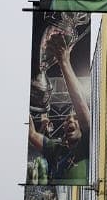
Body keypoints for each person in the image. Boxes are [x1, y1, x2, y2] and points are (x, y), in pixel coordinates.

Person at [27, 30, 90, 182]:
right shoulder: (56, 150)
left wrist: (64, 61)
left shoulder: (87, 146)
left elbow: (83, 111)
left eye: (75, 119)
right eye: (68, 119)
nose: (71, 121)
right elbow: (32, 134)